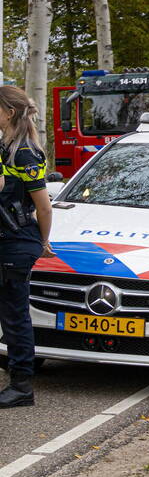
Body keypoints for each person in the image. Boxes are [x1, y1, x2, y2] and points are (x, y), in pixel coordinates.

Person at [0, 88, 55, 409]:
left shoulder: (25, 153)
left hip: (17, 241)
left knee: (15, 316)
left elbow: (43, 207)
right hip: (7, 240)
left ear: (8, 112)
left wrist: (44, 241)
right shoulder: (5, 147)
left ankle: (22, 385)